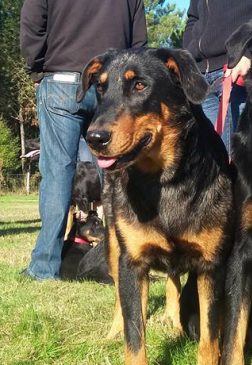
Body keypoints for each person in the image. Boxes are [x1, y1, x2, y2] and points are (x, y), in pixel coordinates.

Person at [20, 0, 147, 280]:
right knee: (116, 175)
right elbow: (139, 42)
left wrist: (36, 69)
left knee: (57, 174)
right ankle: (123, 263)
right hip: (111, 87)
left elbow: (31, 23)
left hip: (61, 79)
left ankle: (43, 268)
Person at [183, 0, 252, 154]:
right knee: (209, 160)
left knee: (238, 162)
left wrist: (247, 51)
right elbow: (193, 17)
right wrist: (189, 53)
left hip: (236, 72)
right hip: (200, 76)